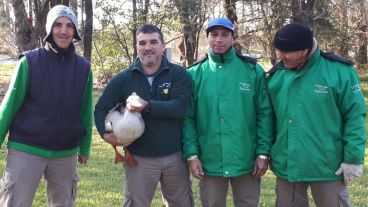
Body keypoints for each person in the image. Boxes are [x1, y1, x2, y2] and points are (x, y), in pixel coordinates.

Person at [0, 5, 93, 207]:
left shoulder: (84, 69)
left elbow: (85, 112)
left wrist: (84, 147)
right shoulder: (29, 62)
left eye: (69, 26)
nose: (63, 30)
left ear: (75, 31)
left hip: (65, 153)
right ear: (49, 29)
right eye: (58, 24)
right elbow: (8, 107)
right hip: (26, 149)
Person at [94, 24, 194, 207]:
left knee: (181, 203)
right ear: (137, 47)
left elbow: (180, 108)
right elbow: (100, 109)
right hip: (138, 158)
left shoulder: (178, 74)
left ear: (162, 45)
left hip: (174, 157)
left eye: (153, 42)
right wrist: (106, 134)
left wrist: (147, 106)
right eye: (142, 43)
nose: (148, 47)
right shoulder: (123, 79)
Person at [267, 22, 366, 207]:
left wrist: (353, 158)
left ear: (304, 50)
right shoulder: (277, 75)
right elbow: (268, 119)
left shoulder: (340, 72)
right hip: (288, 166)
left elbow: (354, 116)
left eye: (286, 51)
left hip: (328, 166)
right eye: (279, 50)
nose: (281, 56)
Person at [182, 17, 273, 207]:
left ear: (233, 38)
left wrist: (263, 153)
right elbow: (187, 118)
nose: (219, 40)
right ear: (207, 38)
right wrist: (192, 155)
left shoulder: (252, 71)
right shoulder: (194, 74)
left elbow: (264, 114)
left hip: (246, 159)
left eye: (225, 35)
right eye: (214, 35)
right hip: (209, 160)